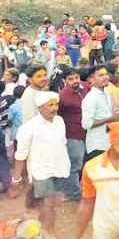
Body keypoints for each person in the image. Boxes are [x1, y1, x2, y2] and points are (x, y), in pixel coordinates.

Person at [11, 91, 70, 235]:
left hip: (60, 169)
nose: (54, 108)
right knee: (47, 204)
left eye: (56, 104)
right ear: (40, 108)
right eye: (50, 105)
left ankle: (40, 231)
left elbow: (62, 145)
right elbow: (21, 155)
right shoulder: (29, 127)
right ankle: (48, 233)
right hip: (41, 172)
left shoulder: (60, 121)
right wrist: (16, 179)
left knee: (51, 204)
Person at [82, 65, 119, 162]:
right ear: (91, 80)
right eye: (101, 75)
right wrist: (110, 118)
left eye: (106, 74)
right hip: (97, 146)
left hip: (108, 143)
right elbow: (86, 124)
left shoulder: (106, 94)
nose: (106, 77)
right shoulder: (91, 98)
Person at [57, 67, 87, 201]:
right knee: (74, 165)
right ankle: (73, 193)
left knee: (84, 163)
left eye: (76, 78)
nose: (74, 81)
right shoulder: (63, 97)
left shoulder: (86, 88)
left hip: (89, 132)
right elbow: (59, 116)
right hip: (73, 134)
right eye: (70, 79)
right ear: (64, 80)